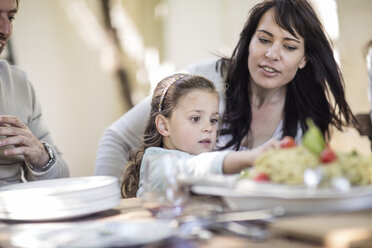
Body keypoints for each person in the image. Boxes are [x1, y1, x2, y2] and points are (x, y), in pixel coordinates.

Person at [95, 0, 356, 185]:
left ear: (304, 59)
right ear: (249, 41)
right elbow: (114, 139)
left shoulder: (305, 119)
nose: (271, 54)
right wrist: (108, 214)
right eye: (264, 39)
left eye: (289, 46)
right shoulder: (202, 85)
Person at [121, 73, 278, 198]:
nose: (208, 128)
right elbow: (195, 168)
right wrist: (250, 157)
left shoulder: (198, 160)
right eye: (195, 119)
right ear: (163, 125)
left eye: (213, 120)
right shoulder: (158, 163)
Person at [0, 0, 69, 184]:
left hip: (20, 210)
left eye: (11, 17)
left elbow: (62, 176)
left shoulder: (19, 84)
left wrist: (40, 157)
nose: (6, 30)